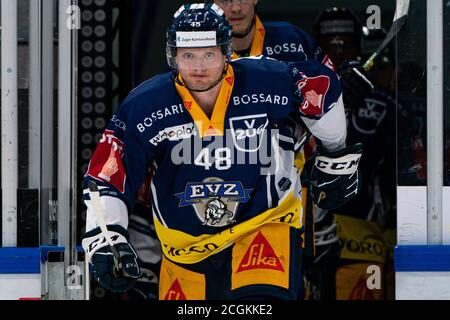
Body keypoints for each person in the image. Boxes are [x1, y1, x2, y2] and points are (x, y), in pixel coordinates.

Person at [81, 3, 362, 300]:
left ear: (226, 52)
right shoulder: (146, 104)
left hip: (263, 226)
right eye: (188, 55)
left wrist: (335, 153)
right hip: (184, 250)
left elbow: (322, 85)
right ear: (173, 55)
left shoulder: (267, 79)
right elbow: (107, 174)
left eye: (209, 54)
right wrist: (106, 235)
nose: (199, 67)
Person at [306, 7, 396, 300]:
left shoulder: (384, 104)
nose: (338, 51)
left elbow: (388, 170)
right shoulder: (291, 97)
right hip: (301, 234)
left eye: (346, 43)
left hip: (362, 236)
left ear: (360, 47)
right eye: (329, 45)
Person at [212, 0, 333, 67]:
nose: (236, 8)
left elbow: (333, 87)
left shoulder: (292, 38)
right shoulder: (198, 51)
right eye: (225, 0)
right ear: (211, 3)